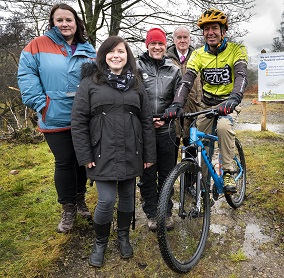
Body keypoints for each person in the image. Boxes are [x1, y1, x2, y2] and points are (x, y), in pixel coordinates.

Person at [71, 36, 156, 267]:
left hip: (131, 150)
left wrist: (149, 155)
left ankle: (123, 237)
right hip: (102, 153)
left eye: (121, 51)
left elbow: (146, 121)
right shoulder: (90, 82)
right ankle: (100, 242)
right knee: (107, 200)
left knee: (128, 198)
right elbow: (78, 121)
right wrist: (85, 154)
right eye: (111, 51)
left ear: (127, 55)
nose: (116, 55)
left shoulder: (136, 83)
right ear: (103, 56)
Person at [17, 3, 97, 233]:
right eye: (59, 20)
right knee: (64, 162)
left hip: (83, 118)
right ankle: (68, 208)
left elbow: (95, 81)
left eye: (68, 20)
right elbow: (26, 76)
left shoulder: (88, 48)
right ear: (53, 22)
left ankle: (80, 199)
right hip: (54, 116)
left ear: (76, 22)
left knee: (82, 160)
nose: (64, 24)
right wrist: (43, 106)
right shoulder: (37, 45)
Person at [164, 8, 248, 193]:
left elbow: (241, 75)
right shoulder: (198, 54)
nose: (210, 32)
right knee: (198, 143)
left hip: (228, 103)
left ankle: (228, 171)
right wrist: (177, 103)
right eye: (206, 29)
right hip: (207, 104)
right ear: (203, 33)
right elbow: (187, 80)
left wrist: (234, 98)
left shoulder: (237, 49)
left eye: (215, 28)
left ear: (223, 31)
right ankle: (202, 184)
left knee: (223, 127)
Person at [136, 28, 182, 231]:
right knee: (147, 174)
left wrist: (168, 116)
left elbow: (179, 100)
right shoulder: (136, 67)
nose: (157, 47)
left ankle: (166, 211)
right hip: (144, 131)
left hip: (167, 131)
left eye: (160, 44)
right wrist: (146, 119)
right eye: (153, 43)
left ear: (165, 46)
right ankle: (152, 213)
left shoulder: (174, 70)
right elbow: (131, 98)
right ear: (147, 45)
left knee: (167, 173)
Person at [166, 26, 202, 162]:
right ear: (174, 40)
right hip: (172, 113)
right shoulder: (166, 59)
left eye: (185, 37)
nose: (182, 40)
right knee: (170, 156)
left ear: (190, 39)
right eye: (179, 37)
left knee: (191, 155)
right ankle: (170, 182)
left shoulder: (199, 57)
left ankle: (190, 183)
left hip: (194, 111)